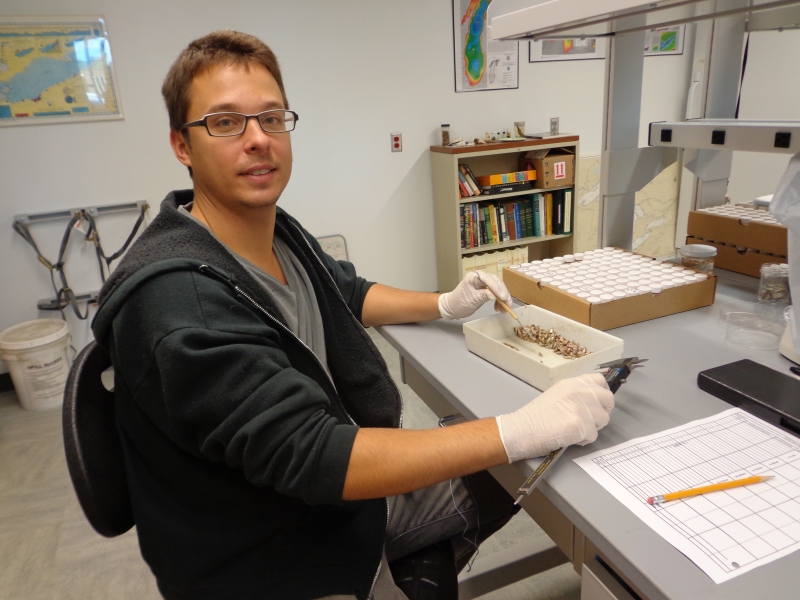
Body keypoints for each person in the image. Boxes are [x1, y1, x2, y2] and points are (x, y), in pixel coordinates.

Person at [91, 30, 614, 600]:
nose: (256, 140)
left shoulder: (269, 232)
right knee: (512, 446)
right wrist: (522, 429)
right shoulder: (180, 303)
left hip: (311, 499)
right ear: (182, 146)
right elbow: (317, 454)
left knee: (495, 458)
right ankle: (398, 569)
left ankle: (415, 558)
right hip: (270, 552)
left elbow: (346, 291)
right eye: (225, 122)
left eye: (271, 118)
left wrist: (444, 302)